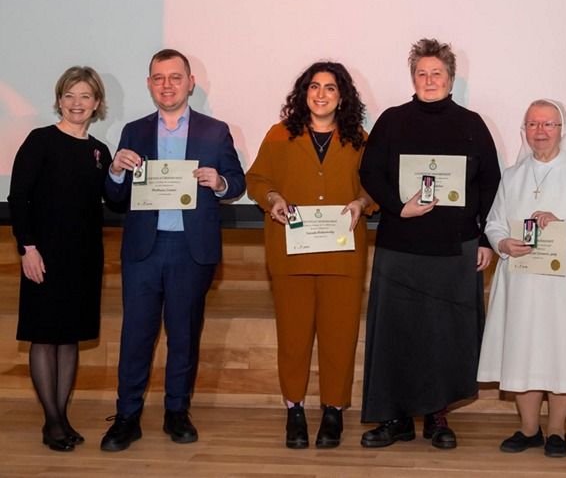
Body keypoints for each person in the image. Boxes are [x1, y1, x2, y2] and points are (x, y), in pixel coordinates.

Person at [99, 49, 245, 451]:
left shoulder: (215, 131)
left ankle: (176, 413)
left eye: (175, 77)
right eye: (159, 78)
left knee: (183, 336)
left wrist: (219, 183)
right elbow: (115, 197)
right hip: (144, 249)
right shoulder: (133, 131)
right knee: (135, 336)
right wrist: (114, 170)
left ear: (190, 83)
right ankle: (127, 416)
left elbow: (237, 182)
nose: (167, 85)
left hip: (190, 249)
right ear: (149, 84)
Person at [359, 38, 500, 449]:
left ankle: (438, 418)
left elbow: (491, 184)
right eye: (421, 73)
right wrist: (398, 208)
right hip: (400, 247)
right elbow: (370, 173)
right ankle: (395, 418)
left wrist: (487, 237)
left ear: (451, 78)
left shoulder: (473, 124)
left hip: (455, 249)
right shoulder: (391, 120)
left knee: (445, 336)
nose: (429, 79)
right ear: (413, 78)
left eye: (436, 73)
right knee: (395, 335)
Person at [477, 99, 566, 458]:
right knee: (523, 349)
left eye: (548, 125)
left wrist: (561, 225)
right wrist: (501, 242)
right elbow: (494, 221)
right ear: (524, 130)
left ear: (562, 130)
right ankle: (528, 429)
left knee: (562, 350)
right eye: (533, 125)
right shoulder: (512, 175)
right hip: (521, 278)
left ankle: (556, 430)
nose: (540, 132)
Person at [245, 61, 375, 449]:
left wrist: (361, 202)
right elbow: (257, 180)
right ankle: (295, 411)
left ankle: (333, 411)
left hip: (342, 258)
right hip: (292, 256)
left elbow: (376, 188)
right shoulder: (279, 135)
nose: (321, 94)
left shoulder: (359, 139)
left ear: (342, 96)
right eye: (314, 87)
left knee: (340, 336)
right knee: (294, 336)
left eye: (330, 88)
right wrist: (273, 199)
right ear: (304, 93)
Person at [8, 66, 112, 452]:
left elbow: (114, 201)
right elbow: (19, 198)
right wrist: (27, 248)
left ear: (97, 103)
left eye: (85, 96)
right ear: (59, 100)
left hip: (84, 258)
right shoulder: (40, 141)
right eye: (69, 96)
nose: (76, 104)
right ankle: (52, 422)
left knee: (69, 339)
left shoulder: (99, 151)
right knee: (43, 336)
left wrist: (118, 171)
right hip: (43, 255)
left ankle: (61, 418)